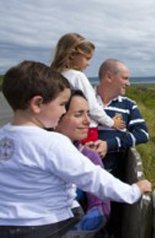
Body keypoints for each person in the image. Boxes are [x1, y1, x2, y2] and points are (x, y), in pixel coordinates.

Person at [0, 61, 151, 238]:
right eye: (62, 104)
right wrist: (133, 192)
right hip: (49, 225)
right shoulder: (52, 143)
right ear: (37, 103)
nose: (63, 111)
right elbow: (93, 178)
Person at [54, 89, 110, 235]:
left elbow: (100, 207)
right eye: (79, 114)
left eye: (88, 114)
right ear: (56, 118)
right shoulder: (31, 154)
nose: (87, 121)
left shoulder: (89, 157)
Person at [50, 33, 124, 143]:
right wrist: (111, 123)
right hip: (86, 131)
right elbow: (92, 107)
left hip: (62, 128)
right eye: (87, 58)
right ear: (72, 55)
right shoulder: (77, 76)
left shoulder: (53, 76)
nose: (88, 64)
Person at [93, 58, 149, 174]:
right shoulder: (84, 101)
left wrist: (109, 145)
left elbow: (143, 134)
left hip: (111, 179)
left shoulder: (128, 105)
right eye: (125, 78)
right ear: (109, 77)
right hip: (79, 176)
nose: (128, 83)